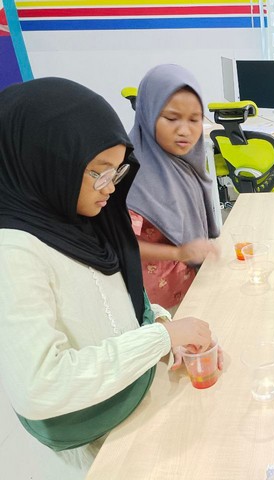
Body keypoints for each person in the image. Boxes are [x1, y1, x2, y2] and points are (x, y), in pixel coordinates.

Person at [0, 78, 215, 470]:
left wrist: (164, 330)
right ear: (48, 163)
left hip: (134, 395)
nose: (110, 188)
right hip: (94, 430)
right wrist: (161, 337)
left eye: (116, 172)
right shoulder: (14, 253)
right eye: (99, 173)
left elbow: (123, 301)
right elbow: (40, 386)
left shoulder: (84, 217)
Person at [127, 64, 220, 312]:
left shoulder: (184, 163)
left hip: (190, 286)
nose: (185, 130)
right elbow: (123, 245)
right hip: (156, 304)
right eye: (171, 118)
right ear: (148, 114)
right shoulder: (133, 174)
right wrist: (179, 253)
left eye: (195, 119)